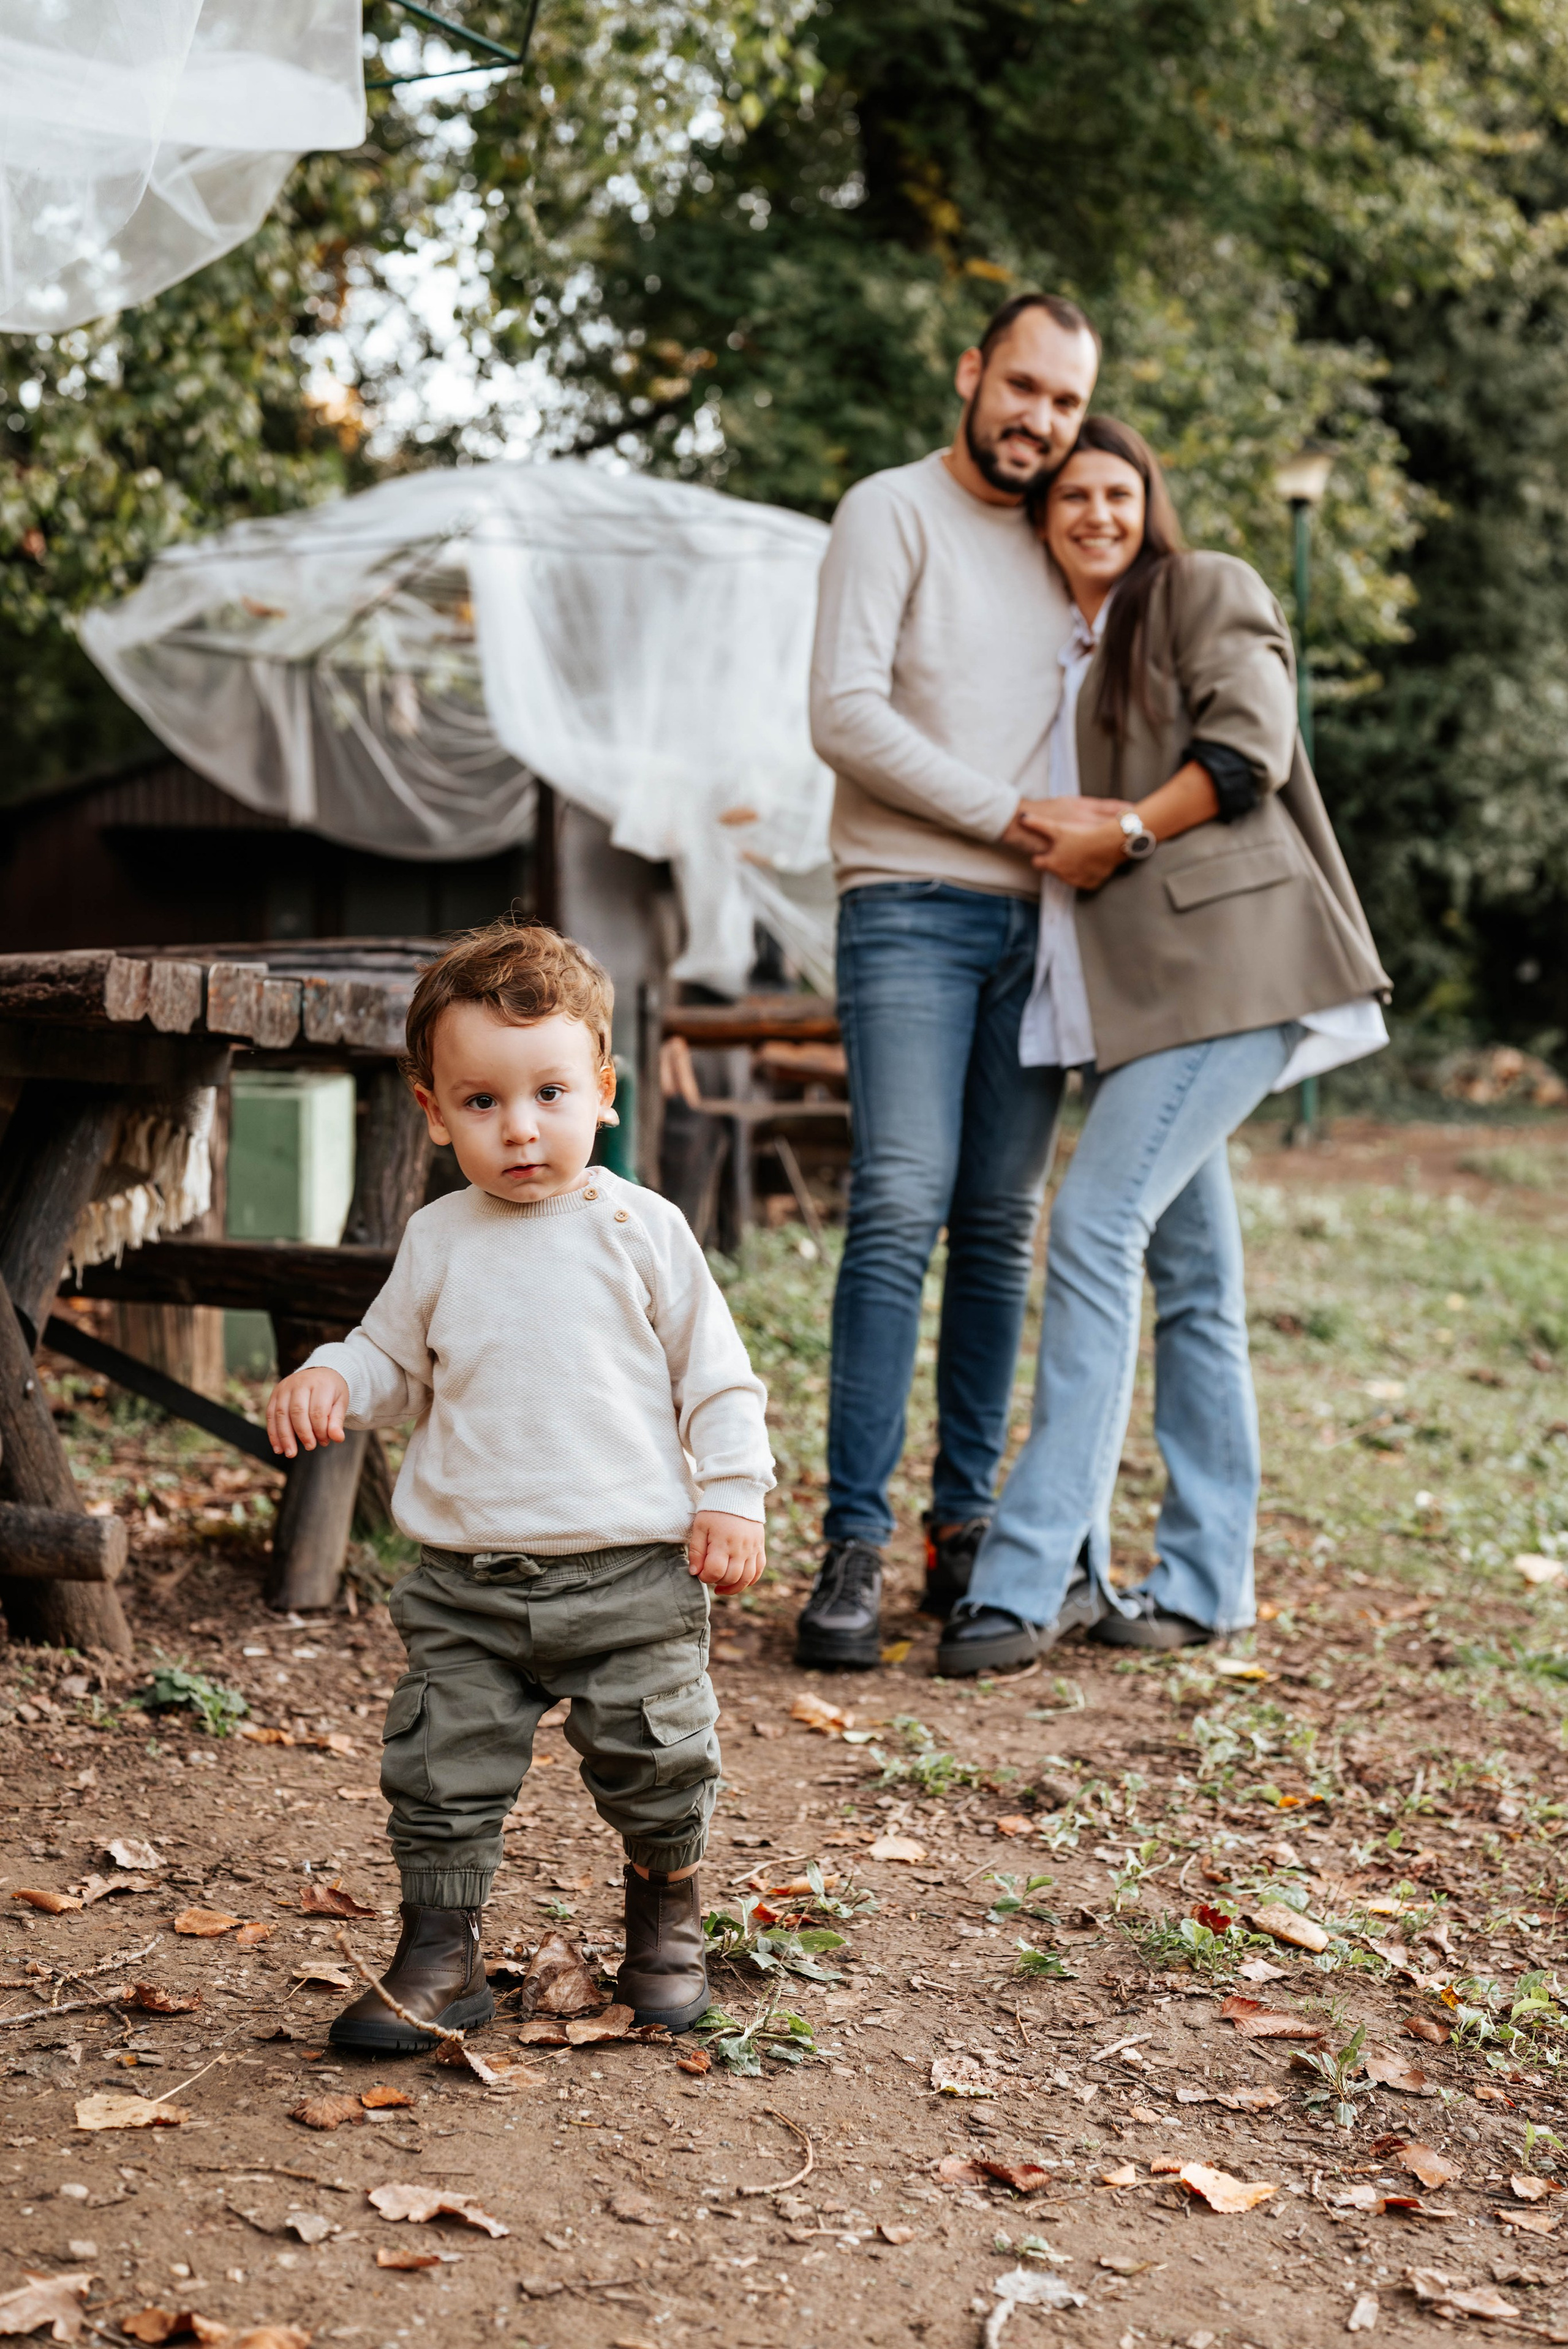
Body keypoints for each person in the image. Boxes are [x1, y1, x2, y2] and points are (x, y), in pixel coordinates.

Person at [265, 919, 774, 2048]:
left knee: (657, 1754)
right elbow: (393, 1360)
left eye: (548, 1092)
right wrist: (332, 1374)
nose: (521, 1127)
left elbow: (717, 1381)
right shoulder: (440, 1238)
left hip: (632, 1571)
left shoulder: (645, 1230)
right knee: (441, 1766)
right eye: (483, 1102)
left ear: (601, 1090)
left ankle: (663, 1926)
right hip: (467, 1581)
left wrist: (731, 1495)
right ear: (434, 1111)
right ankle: (442, 1957)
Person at [937, 417, 1390, 1675]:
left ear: (1149, 504)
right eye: (1069, 496)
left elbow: (1248, 749)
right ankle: (1198, 1580)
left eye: (1116, 491)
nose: (1092, 512)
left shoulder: (1197, 588)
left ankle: (1022, 1583)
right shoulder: (1060, 648)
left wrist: (1123, 832)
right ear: (1039, 520)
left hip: (1230, 974)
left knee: (1088, 1231)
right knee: (1196, 1285)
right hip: (1135, 1010)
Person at [794, 290, 1102, 1670]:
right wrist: (1008, 818)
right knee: (901, 1205)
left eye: (1067, 403)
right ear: (972, 373)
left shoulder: (1068, 539)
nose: (1040, 419)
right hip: (908, 909)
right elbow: (842, 714)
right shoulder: (888, 510)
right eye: (1023, 387)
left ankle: (959, 1531)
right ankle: (848, 1544)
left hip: (1041, 930)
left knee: (996, 1226)